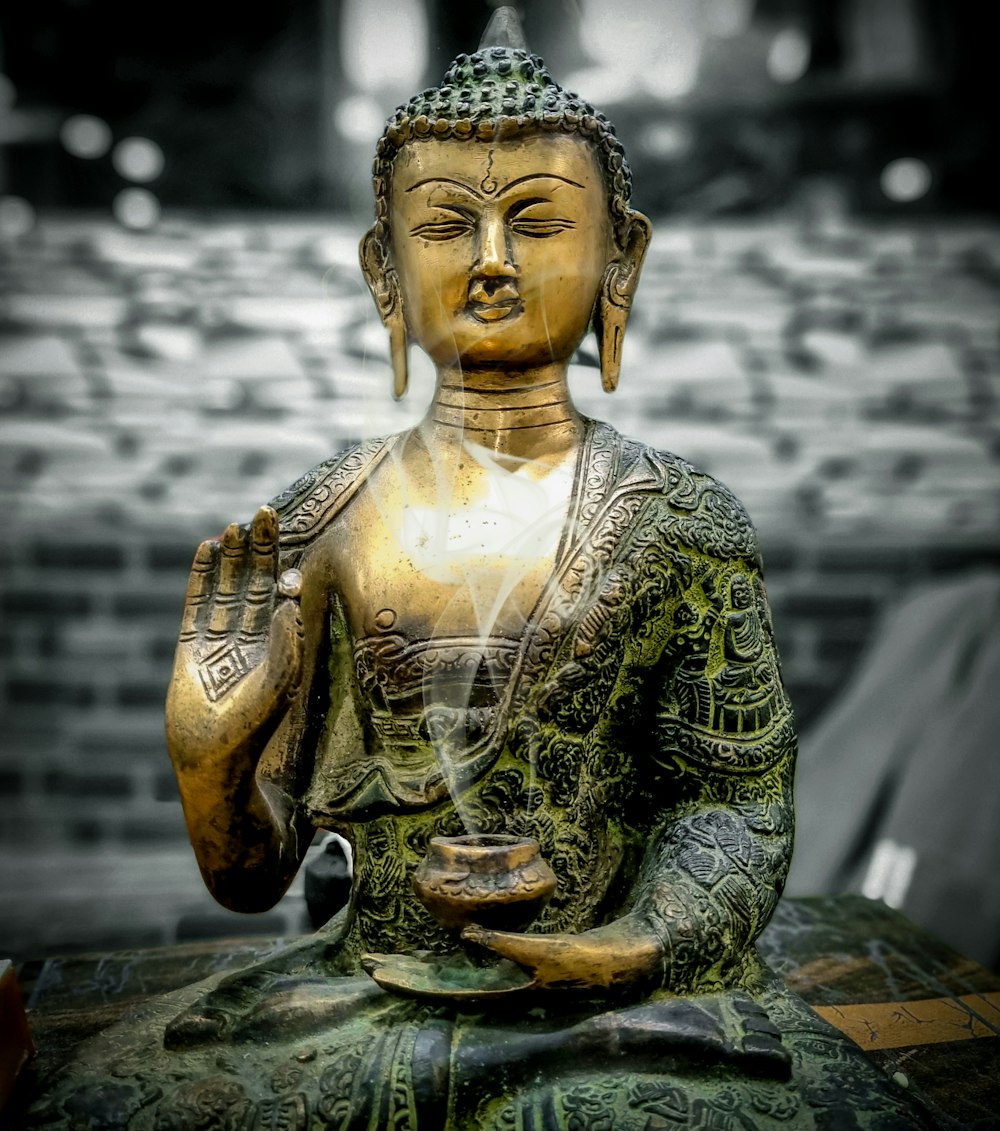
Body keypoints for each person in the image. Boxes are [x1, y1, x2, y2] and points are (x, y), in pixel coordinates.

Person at [31, 13, 928, 1130]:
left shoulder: (682, 519)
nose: (492, 260)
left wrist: (631, 944)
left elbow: (734, 798)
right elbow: (254, 880)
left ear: (621, 253)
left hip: (614, 1000)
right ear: (384, 265)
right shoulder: (329, 518)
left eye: (538, 221)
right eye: (447, 224)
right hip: (368, 988)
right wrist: (209, 762)